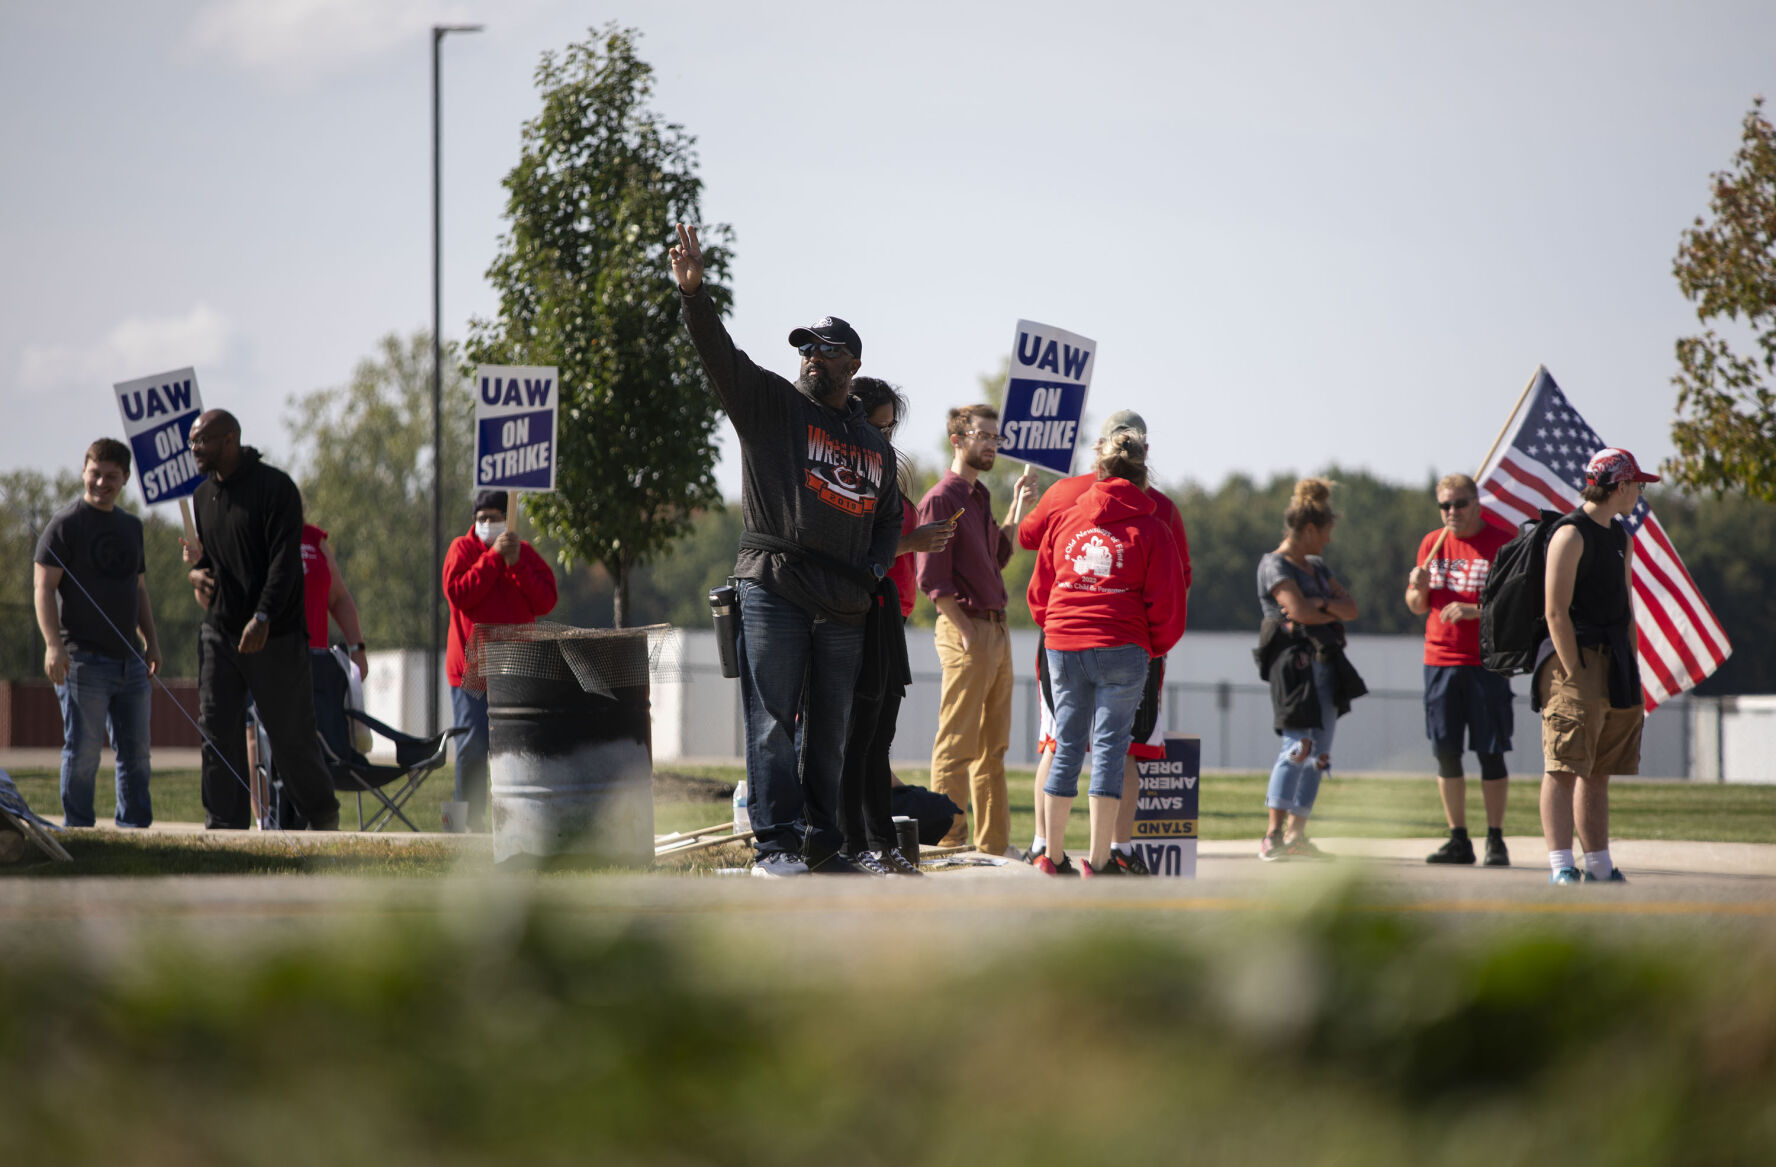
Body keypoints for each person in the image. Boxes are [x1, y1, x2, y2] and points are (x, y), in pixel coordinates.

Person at [670, 223, 903, 877]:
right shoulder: (773, 405)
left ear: (851, 363)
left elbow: (891, 519)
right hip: (772, 585)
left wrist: (876, 568)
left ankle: (825, 844)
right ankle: (775, 844)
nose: (811, 356)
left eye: (825, 350)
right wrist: (694, 295)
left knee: (832, 731)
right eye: (805, 346)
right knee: (773, 721)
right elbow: (721, 356)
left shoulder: (874, 446)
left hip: (845, 606)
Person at [1016, 409, 1191, 874]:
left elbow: (1040, 586)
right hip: (1125, 648)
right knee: (1112, 750)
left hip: (1063, 644)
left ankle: (1049, 855)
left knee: (1065, 744)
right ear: (1143, 465)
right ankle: (1100, 859)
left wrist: (1056, 627)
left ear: (1100, 456)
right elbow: (1171, 599)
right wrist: (1151, 645)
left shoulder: (1065, 510)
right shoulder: (1155, 523)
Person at [185, 410, 341, 830]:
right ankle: (224, 828)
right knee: (217, 733)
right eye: (191, 442)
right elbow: (216, 562)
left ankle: (322, 817)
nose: (194, 449)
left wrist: (264, 616)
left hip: (275, 635)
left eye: (201, 441)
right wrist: (197, 572)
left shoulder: (275, 488)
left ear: (230, 439)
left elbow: (283, 563)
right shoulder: (203, 497)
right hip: (220, 635)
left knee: (291, 738)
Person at [837, 377, 955, 875]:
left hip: (890, 618)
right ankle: (855, 841)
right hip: (858, 617)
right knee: (857, 738)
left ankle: (880, 841)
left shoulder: (886, 473)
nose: (884, 437)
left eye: (890, 428)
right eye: (875, 425)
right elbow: (856, 556)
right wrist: (912, 542)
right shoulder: (846, 474)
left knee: (878, 737)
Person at [915, 404, 1037, 857]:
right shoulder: (941, 499)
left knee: (994, 750)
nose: (992, 444)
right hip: (966, 630)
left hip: (997, 631)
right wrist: (966, 631)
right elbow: (931, 578)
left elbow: (997, 557)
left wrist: (1017, 510)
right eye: (983, 435)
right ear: (958, 440)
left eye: (995, 437)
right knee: (956, 745)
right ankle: (947, 844)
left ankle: (992, 848)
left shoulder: (979, 496)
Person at [1538, 448, 1656, 886]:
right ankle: (1561, 865)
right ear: (1620, 486)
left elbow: (1626, 605)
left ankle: (1600, 865)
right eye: (1637, 485)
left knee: (1600, 769)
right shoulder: (1570, 533)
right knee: (1564, 766)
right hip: (1575, 662)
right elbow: (1556, 611)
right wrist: (1572, 671)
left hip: (1615, 662)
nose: (1639, 494)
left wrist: (1632, 666)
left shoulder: (1620, 536)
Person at [31, 438, 161, 828]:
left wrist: (151, 641)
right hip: (82, 661)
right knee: (84, 753)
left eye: (111, 476)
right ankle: (80, 832)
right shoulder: (65, 524)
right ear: (84, 471)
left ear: (124, 479)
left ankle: (135, 829)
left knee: (136, 754)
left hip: (131, 664)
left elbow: (138, 590)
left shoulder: (132, 527)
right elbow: (42, 588)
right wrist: (53, 646)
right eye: (95, 473)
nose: (101, 482)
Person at [1405, 473, 1515, 866]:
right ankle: (1458, 839)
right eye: (1445, 505)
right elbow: (1417, 605)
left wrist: (1475, 610)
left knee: (1491, 751)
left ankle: (1496, 839)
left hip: (1486, 662)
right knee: (1446, 753)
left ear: (1477, 502)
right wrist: (1416, 586)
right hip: (1440, 661)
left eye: (1460, 503)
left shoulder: (1502, 541)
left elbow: (1518, 606)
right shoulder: (1432, 543)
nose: (1452, 512)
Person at [1253, 478, 1363, 861]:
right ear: (1310, 529)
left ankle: (1297, 836)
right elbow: (1296, 611)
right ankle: (1273, 835)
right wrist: (1322, 605)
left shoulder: (1315, 566)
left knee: (1319, 754)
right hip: (1295, 670)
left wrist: (1317, 603)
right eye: (1326, 532)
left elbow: (1350, 608)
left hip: (1327, 667)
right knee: (1298, 747)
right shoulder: (1274, 565)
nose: (1328, 541)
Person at [443, 489, 558, 833]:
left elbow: (546, 600)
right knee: (472, 745)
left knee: (517, 747)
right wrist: (493, 559)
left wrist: (516, 562)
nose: (489, 524)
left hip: (515, 669)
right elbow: (460, 593)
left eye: (495, 517)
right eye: (483, 518)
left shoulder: (524, 554)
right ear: (474, 520)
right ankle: (458, 824)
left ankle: (515, 822)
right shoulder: (461, 550)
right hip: (471, 671)